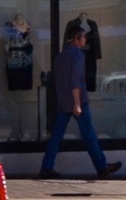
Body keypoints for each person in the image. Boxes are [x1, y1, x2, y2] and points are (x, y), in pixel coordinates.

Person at [40, 27, 121, 179]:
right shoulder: (78, 55)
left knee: (56, 135)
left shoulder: (59, 58)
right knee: (89, 134)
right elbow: (75, 81)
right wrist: (77, 103)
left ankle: (46, 167)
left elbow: (58, 82)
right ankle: (102, 167)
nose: (85, 39)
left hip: (63, 103)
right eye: (83, 37)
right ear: (76, 38)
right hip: (78, 101)